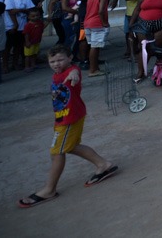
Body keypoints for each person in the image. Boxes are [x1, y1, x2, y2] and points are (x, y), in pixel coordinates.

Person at [17, 44, 118, 208]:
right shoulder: (56, 75)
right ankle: (103, 164)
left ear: (70, 58)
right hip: (64, 118)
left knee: (57, 152)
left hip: (69, 120)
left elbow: (75, 72)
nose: (56, 64)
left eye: (60, 60)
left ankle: (49, 190)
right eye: (52, 61)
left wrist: (74, 74)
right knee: (71, 146)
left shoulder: (72, 71)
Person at [81, 0, 112, 77]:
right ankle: (93, 70)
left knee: (94, 46)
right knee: (95, 47)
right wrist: (104, 23)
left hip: (88, 23)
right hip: (97, 24)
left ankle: (95, 68)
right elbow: (101, 10)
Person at [4, 0, 33, 72]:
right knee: (8, 47)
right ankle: (5, 66)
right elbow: (11, 12)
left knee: (18, 46)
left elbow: (30, 10)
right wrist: (22, 10)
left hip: (22, 27)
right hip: (11, 27)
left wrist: (19, 10)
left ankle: (15, 64)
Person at [23, 7, 45, 72]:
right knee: (28, 55)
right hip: (30, 42)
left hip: (37, 41)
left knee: (34, 54)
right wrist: (27, 42)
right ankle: (27, 66)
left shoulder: (40, 23)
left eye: (37, 15)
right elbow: (26, 34)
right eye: (33, 16)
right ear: (28, 17)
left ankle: (33, 65)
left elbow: (42, 28)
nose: (35, 17)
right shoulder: (28, 25)